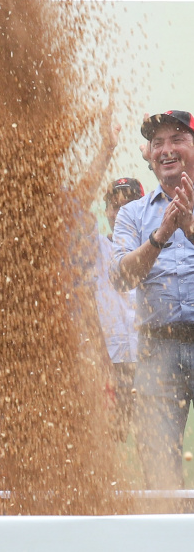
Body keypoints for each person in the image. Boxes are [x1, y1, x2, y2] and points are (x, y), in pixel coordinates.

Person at [112, 110, 194, 489]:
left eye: (176, 138)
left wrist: (190, 229)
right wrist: (161, 235)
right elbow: (121, 277)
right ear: (148, 154)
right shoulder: (131, 214)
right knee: (159, 470)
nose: (166, 149)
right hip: (156, 350)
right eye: (156, 142)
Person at [96, 178, 143, 443]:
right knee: (109, 446)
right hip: (109, 367)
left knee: (151, 445)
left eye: (128, 204)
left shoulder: (160, 246)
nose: (120, 212)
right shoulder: (96, 249)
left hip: (149, 364)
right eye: (114, 205)